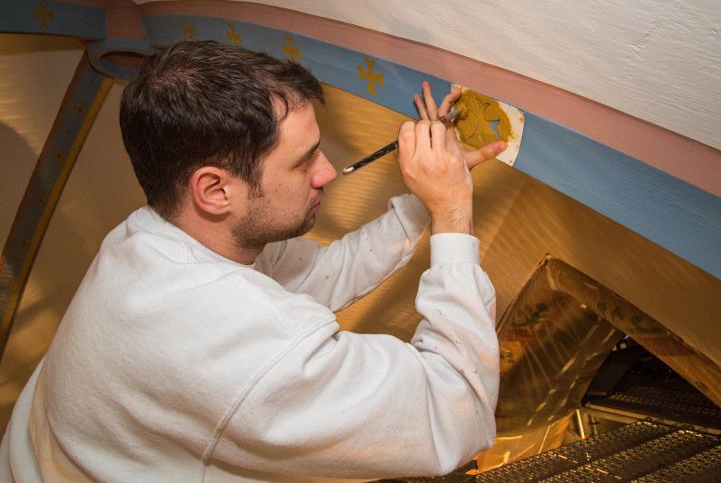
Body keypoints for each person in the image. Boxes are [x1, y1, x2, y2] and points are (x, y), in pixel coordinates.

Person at [1, 40, 506, 482]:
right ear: (215, 190)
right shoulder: (241, 346)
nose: (327, 172)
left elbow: (322, 274)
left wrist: (424, 200)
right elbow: (457, 412)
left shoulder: (150, 238)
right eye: (304, 160)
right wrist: (452, 209)